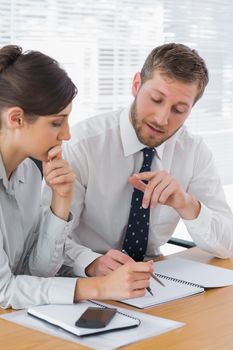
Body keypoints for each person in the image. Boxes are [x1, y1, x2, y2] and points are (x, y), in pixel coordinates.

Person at [55, 42, 233, 278]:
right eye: (156, 99)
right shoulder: (82, 145)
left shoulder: (193, 151)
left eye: (179, 110)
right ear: (137, 84)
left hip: (152, 278)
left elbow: (227, 243)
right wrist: (91, 263)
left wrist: (187, 204)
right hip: (85, 280)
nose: (162, 119)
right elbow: (48, 241)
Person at [0, 45, 153, 309]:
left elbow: (36, 272)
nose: (67, 135)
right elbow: (5, 290)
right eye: (57, 123)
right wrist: (100, 287)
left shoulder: (28, 171)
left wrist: (61, 202)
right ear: (16, 118)